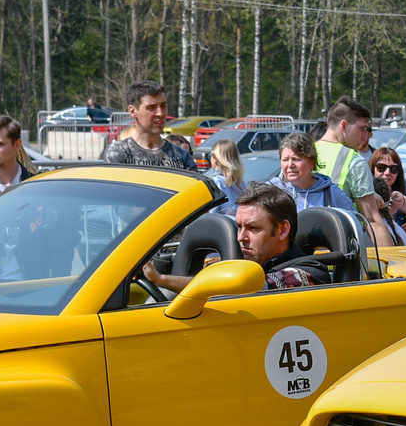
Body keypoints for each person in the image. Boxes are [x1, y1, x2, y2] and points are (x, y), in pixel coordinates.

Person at [145, 182, 334, 293]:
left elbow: (244, 287)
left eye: (253, 228)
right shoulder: (234, 264)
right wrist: (158, 278)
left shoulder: (310, 272)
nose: (241, 237)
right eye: (239, 227)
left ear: (283, 230)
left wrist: (162, 279)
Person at [105, 82, 197, 171]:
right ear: (133, 111)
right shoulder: (119, 152)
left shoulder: (182, 156)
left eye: (163, 106)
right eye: (151, 108)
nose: (160, 113)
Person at [362, 143, 406, 246]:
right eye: (381, 167)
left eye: (393, 169)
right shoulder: (365, 198)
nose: (387, 172)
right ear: (372, 169)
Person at [313, 98, 379, 204]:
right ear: (344, 126)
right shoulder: (354, 160)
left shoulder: (303, 154)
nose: (365, 137)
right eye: (362, 128)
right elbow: (371, 214)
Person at [273, 134, 359, 215]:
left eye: (296, 159)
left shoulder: (331, 193)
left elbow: (353, 221)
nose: (290, 165)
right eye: (285, 160)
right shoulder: (273, 190)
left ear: (312, 163)